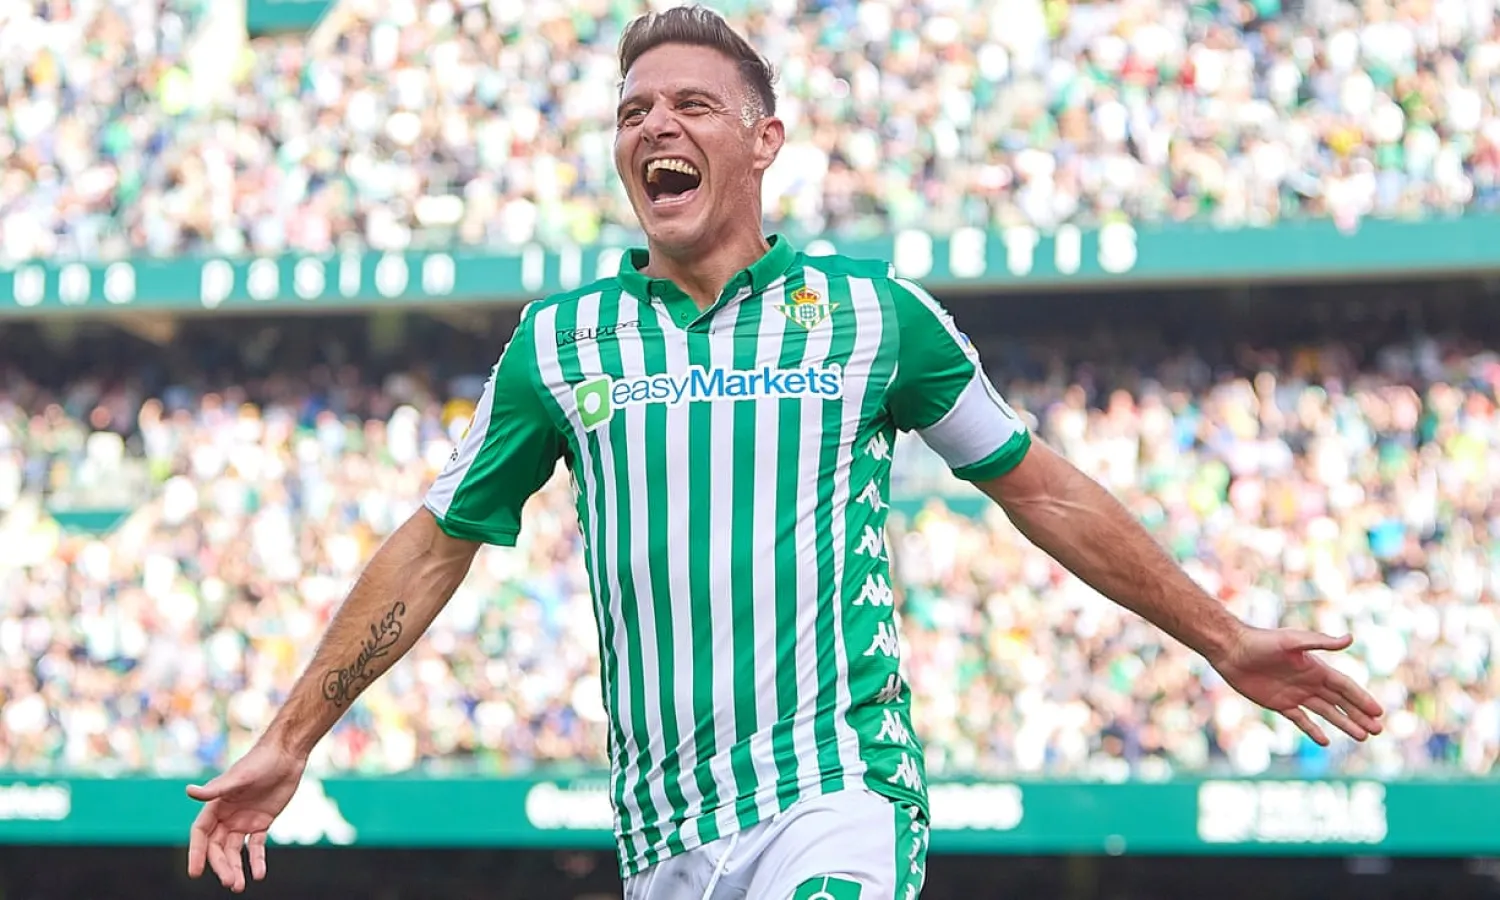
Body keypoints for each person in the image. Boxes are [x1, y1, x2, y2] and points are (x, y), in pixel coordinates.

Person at [184, 5, 1386, 897]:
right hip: (663, 837)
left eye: (691, 105)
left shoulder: (877, 320)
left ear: (763, 140)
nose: (656, 124)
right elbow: (436, 546)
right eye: (633, 111)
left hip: (837, 796)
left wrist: (1224, 636)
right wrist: (289, 738)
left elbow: (1043, 489)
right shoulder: (559, 346)